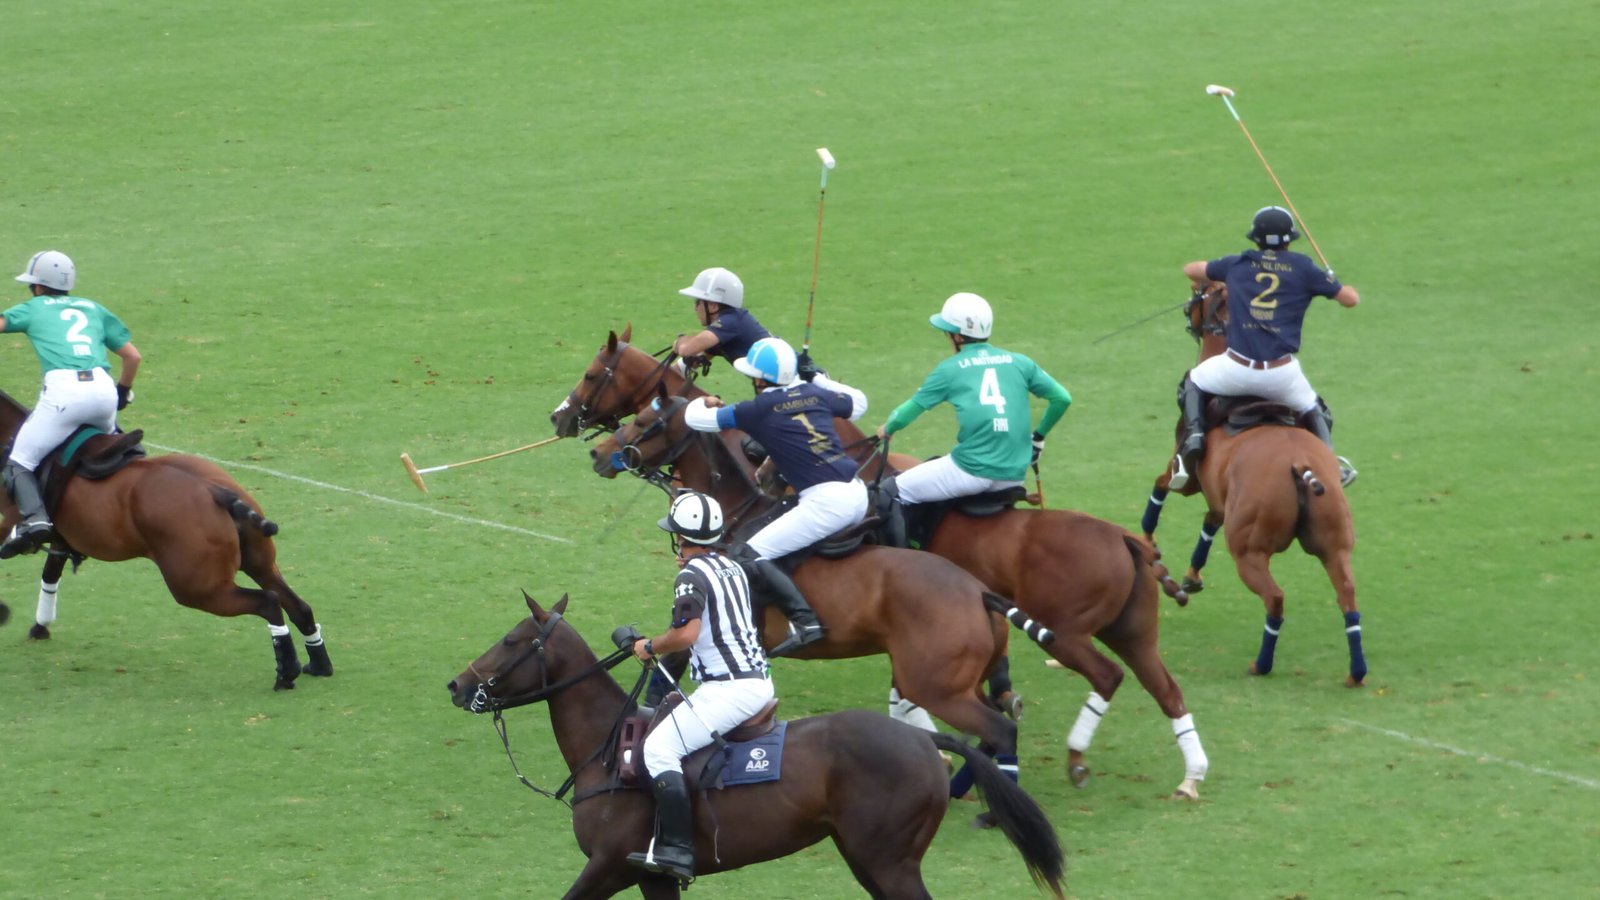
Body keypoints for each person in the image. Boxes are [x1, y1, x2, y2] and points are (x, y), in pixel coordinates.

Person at [682, 336, 869, 655]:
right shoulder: (813, 392)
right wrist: (818, 378)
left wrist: (704, 402)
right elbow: (859, 403)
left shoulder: (759, 408)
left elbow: (695, 420)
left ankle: (805, 621)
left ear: (758, 379)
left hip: (827, 504)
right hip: (858, 492)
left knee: (747, 553)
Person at [626, 491, 774, 883]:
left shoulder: (690, 575)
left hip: (729, 690)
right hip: (756, 680)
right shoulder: (730, 566)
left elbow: (686, 635)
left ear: (679, 536)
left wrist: (648, 646)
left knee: (658, 749)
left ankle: (677, 849)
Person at [1169, 206, 1360, 491]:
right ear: (1290, 239)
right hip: (1282, 376)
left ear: (1255, 238)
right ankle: (1330, 463)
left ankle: (1195, 437)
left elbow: (1191, 270)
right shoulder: (1305, 268)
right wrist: (1329, 279)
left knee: (1194, 380)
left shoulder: (1238, 264)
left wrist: (1222, 280)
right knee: (1313, 406)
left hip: (1235, 369)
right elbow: (1350, 300)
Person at [0, 250, 142, 559]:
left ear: (37, 287)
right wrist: (123, 391)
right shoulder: (92, 308)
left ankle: (35, 521)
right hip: (103, 392)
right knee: (114, 446)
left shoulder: (34, 307)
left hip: (65, 394)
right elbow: (133, 357)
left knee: (19, 462)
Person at [875, 292, 1072, 508]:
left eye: (948, 332)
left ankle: (897, 544)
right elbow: (1062, 398)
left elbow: (906, 413)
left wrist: (888, 428)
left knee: (891, 491)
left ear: (958, 337)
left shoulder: (949, 369)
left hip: (971, 471)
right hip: (1014, 474)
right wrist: (1038, 437)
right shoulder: (1021, 362)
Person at [670, 267, 772, 372]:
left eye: (698, 302)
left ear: (713, 305)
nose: (695, 308)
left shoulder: (729, 322)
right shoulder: (725, 330)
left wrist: (680, 342)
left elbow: (686, 349)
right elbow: (685, 365)